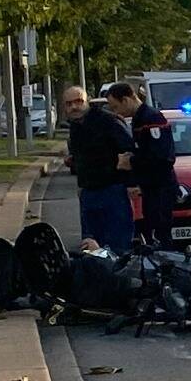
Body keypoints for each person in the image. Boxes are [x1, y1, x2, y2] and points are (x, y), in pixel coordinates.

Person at [61, 85, 136, 254]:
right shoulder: (75, 127)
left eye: (78, 101)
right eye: (69, 103)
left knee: (117, 246)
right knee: (91, 246)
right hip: (88, 192)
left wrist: (131, 183)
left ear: (87, 101)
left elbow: (129, 151)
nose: (74, 107)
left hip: (112, 190)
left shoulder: (108, 121)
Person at [104, 81, 178, 249]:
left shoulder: (151, 118)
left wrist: (131, 161)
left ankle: (166, 267)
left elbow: (161, 156)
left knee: (160, 232)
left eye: (115, 107)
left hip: (160, 186)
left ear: (126, 100)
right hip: (150, 186)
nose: (116, 112)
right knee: (151, 228)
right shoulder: (139, 119)